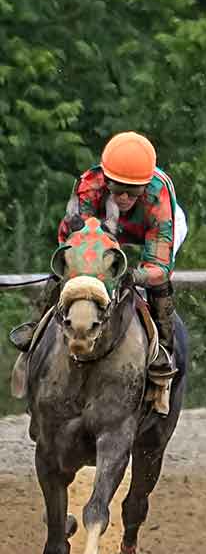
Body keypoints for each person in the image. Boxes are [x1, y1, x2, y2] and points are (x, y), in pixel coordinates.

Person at [9, 131, 185, 415]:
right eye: (117, 188)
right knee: (68, 269)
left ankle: (163, 354)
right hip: (102, 230)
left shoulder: (158, 196)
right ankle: (34, 332)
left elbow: (160, 268)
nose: (125, 196)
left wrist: (134, 276)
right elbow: (70, 241)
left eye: (133, 191)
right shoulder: (89, 186)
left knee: (158, 285)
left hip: (149, 232)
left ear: (145, 186)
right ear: (106, 179)